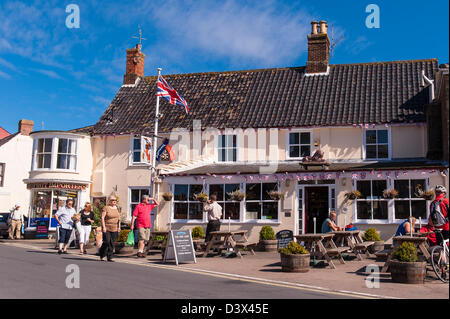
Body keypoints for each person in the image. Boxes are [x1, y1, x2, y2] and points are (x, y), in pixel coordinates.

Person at [99, 195, 121, 262]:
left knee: (112, 242)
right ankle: (102, 255)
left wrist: (119, 227)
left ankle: (110, 256)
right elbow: (102, 218)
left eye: (115, 200)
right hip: (107, 226)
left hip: (115, 227)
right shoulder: (106, 208)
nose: (114, 202)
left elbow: (119, 219)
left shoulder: (117, 208)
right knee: (106, 241)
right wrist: (104, 227)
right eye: (112, 200)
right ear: (109, 201)